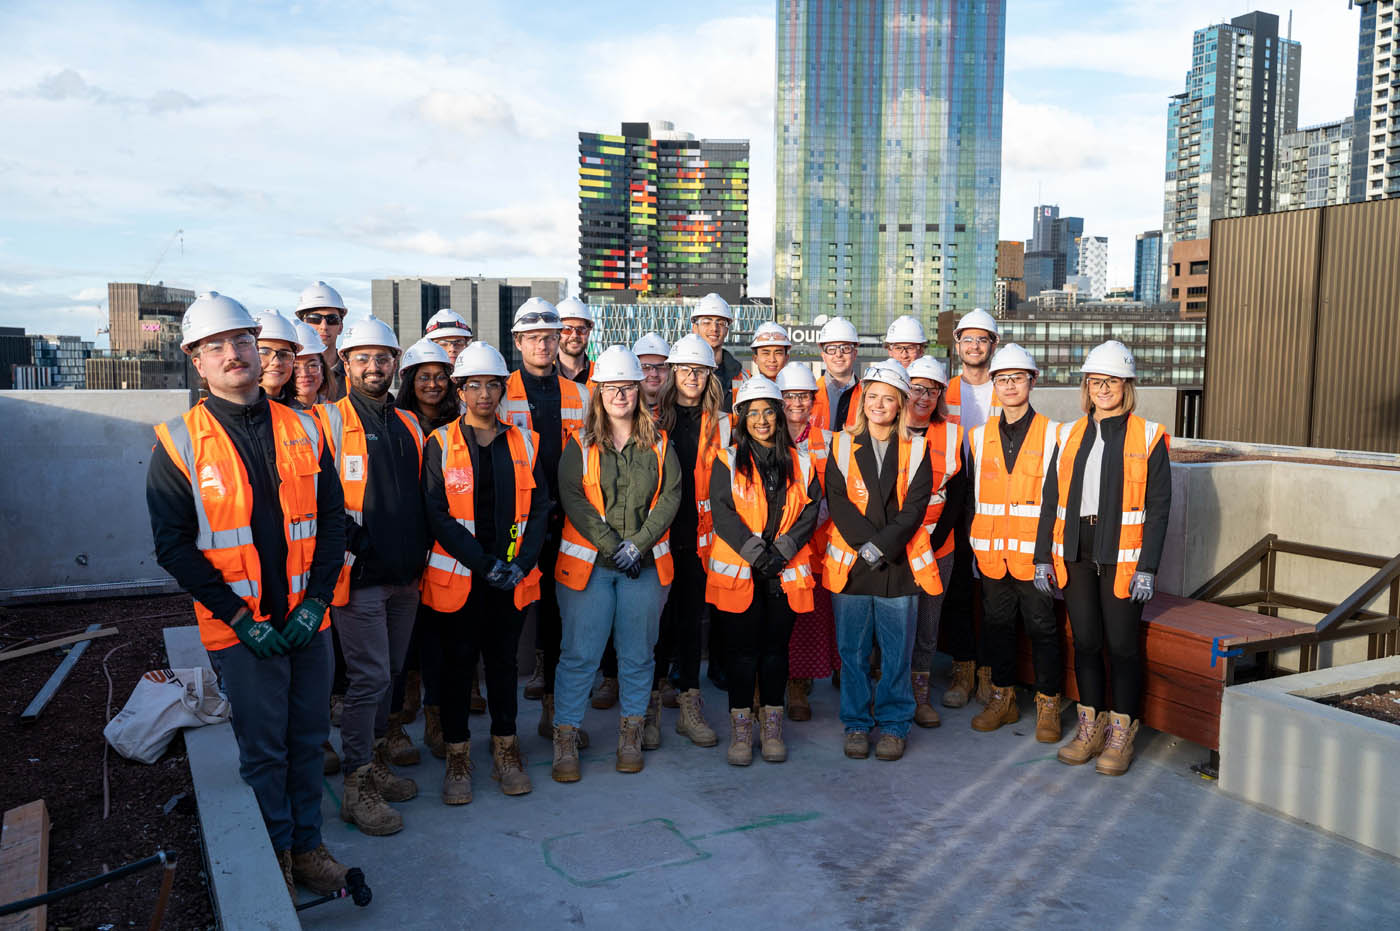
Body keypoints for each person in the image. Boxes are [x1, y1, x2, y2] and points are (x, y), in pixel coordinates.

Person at [146, 292, 350, 903]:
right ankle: (278, 852)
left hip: (307, 622)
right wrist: (241, 618)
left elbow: (332, 521)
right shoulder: (178, 444)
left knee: (309, 738)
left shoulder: (303, 427)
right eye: (216, 346)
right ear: (196, 361)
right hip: (241, 632)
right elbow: (174, 548)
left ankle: (309, 845)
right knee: (264, 751)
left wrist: (317, 602)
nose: (232, 354)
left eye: (241, 341)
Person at [421, 342, 551, 802]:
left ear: (502, 389)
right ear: (459, 390)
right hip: (461, 580)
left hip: (510, 581)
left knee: (502, 666)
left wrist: (520, 563)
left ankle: (505, 750)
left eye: (491, 385)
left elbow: (539, 511)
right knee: (457, 669)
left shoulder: (524, 441)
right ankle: (458, 757)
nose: (482, 394)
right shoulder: (439, 443)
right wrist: (485, 564)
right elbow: (437, 515)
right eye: (473, 385)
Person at [1035, 341, 1171, 776]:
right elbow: (1050, 500)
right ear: (1086, 386)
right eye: (1095, 382)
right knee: (1087, 642)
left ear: (1126, 385)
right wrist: (1043, 557)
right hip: (1076, 550)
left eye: (1111, 381)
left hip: (1123, 558)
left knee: (1123, 647)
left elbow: (1159, 507)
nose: (1103, 389)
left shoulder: (1148, 436)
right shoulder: (1068, 434)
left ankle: (1121, 732)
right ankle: (1089, 726)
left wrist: (1148, 568)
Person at [318, 316, 428, 837]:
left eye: (382, 357)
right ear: (346, 362)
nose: (373, 366)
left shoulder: (409, 424)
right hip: (358, 577)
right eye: (362, 357)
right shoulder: (327, 422)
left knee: (392, 674)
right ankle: (356, 786)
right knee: (369, 679)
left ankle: (377, 761)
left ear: (395, 362)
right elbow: (317, 498)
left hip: (406, 575)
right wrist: (355, 542)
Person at [551, 346, 681, 782]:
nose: (620, 394)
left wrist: (639, 545)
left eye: (627, 386)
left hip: (642, 569)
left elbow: (670, 498)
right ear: (599, 392)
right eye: (611, 388)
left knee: (638, 655)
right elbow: (574, 499)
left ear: (640, 390)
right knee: (579, 656)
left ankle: (632, 731)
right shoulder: (580, 443)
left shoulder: (660, 443)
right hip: (589, 568)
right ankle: (566, 736)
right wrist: (612, 545)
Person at [823, 361, 939, 762]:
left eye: (888, 398)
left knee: (896, 653)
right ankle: (856, 723)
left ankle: (893, 725)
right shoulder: (839, 444)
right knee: (852, 652)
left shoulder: (919, 448)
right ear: (862, 401)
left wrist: (880, 547)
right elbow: (837, 501)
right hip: (854, 569)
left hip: (898, 567)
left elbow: (915, 509)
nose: (879, 404)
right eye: (872, 396)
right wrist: (865, 546)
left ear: (901, 404)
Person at [707, 377, 822, 765]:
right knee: (741, 655)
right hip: (742, 571)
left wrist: (785, 550)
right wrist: (758, 553)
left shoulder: (802, 462)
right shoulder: (726, 461)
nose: (761, 420)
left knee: (775, 653)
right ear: (741, 418)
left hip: (783, 573)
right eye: (752, 412)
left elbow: (810, 511)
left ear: (779, 415)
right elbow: (723, 514)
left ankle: (771, 727)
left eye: (768, 411)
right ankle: (741, 731)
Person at [498, 298, 593, 744]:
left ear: (560, 341)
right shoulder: (500, 391)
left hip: (569, 519)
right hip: (518, 520)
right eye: (533, 337)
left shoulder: (582, 395)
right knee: (513, 613)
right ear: (518, 341)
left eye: (549, 337)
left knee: (562, 617)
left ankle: (558, 712)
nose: (542, 344)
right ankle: (506, 730)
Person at [966, 343, 1063, 742]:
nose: (1008, 386)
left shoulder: (1054, 433)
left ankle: (1048, 705)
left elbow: (1057, 501)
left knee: (1042, 629)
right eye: (1002, 379)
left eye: (1016, 378)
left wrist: (1047, 556)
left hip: (1034, 558)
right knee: (998, 628)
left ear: (1032, 381)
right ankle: (1003, 700)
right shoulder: (977, 436)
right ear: (993, 384)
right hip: (991, 555)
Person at [653, 333, 726, 747]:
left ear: (709, 375)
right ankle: (650, 703)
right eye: (685, 369)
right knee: (658, 621)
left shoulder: (723, 422)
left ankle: (689, 702)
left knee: (692, 621)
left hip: (703, 539)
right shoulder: (654, 419)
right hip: (661, 535)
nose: (692, 377)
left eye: (699, 370)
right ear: (673, 373)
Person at [388, 339, 458, 761]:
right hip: (407, 548)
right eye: (423, 377)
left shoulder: (459, 424)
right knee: (402, 646)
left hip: (447, 549)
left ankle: (435, 719)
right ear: (410, 381)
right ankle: (395, 726)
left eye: (440, 377)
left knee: (438, 643)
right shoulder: (396, 423)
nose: (432, 385)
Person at [940, 307, 1002, 707]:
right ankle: (963, 667)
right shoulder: (944, 390)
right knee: (959, 582)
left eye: (983, 339)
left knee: (994, 587)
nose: (975, 346)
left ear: (993, 345)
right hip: (955, 492)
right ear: (957, 344)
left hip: (998, 493)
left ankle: (990, 672)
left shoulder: (1006, 385)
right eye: (968, 339)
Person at [903, 356, 966, 728]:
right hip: (898, 546)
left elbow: (958, 496)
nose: (925, 396)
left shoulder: (953, 434)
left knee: (928, 624)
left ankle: (920, 695)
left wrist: (934, 539)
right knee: (895, 626)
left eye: (933, 389)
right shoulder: (887, 430)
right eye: (917, 388)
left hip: (938, 546)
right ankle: (892, 692)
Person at [776, 362, 839, 721]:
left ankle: (798, 685)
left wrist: (802, 525)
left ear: (814, 400)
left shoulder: (830, 442)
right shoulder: (764, 437)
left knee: (808, 621)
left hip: (814, 549)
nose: (797, 403)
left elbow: (835, 496)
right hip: (775, 547)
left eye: (803, 396)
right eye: (789, 397)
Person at [689, 292, 747, 407]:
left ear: (726, 330)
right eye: (707, 322)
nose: (714, 328)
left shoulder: (742, 377)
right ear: (695, 328)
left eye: (720, 323)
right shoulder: (682, 374)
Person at [294, 281, 348, 400]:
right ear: (302, 324)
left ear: (341, 327)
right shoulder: (288, 370)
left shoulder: (353, 374)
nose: (324, 326)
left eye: (332, 319)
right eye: (315, 319)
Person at [810, 317, 862, 432]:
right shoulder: (810, 393)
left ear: (855, 353)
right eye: (831, 349)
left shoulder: (868, 394)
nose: (838, 354)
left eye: (846, 348)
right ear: (823, 355)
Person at [255, 310, 300, 405]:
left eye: (284, 354)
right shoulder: (228, 414)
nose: (276, 362)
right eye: (264, 352)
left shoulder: (302, 415)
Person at [290, 320, 329, 410]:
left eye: (312, 365)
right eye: (295, 367)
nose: (304, 374)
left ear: (322, 369)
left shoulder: (336, 411)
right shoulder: (275, 414)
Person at [556, 297, 595, 384]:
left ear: (588, 333)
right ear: (557, 333)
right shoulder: (545, 373)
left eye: (581, 329)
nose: (574, 335)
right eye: (567, 329)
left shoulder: (601, 374)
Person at [633, 332, 671, 414]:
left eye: (661, 366)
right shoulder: (624, 412)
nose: (654, 374)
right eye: (645, 367)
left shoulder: (680, 414)